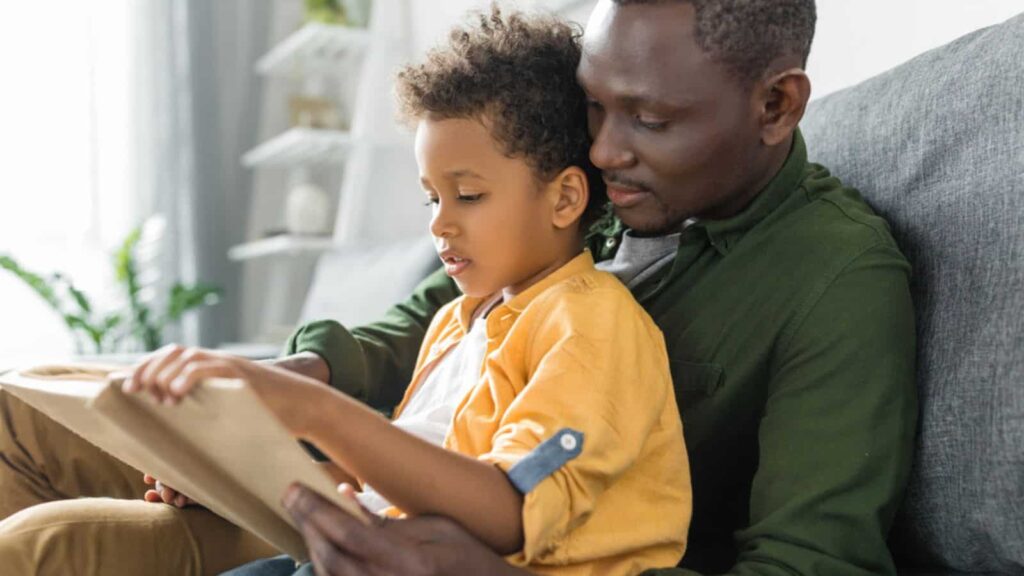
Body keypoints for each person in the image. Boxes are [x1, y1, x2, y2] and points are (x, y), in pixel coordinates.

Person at [0, 0, 917, 575]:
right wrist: (259, 422)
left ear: (777, 106)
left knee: (50, 547)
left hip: (476, 535)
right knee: (17, 409)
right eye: (594, 107)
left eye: (648, 118)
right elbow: (427, 334)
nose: (598, 151)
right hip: (365, 488)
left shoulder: (838, 281)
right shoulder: (600, 195)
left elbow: (807, 561)